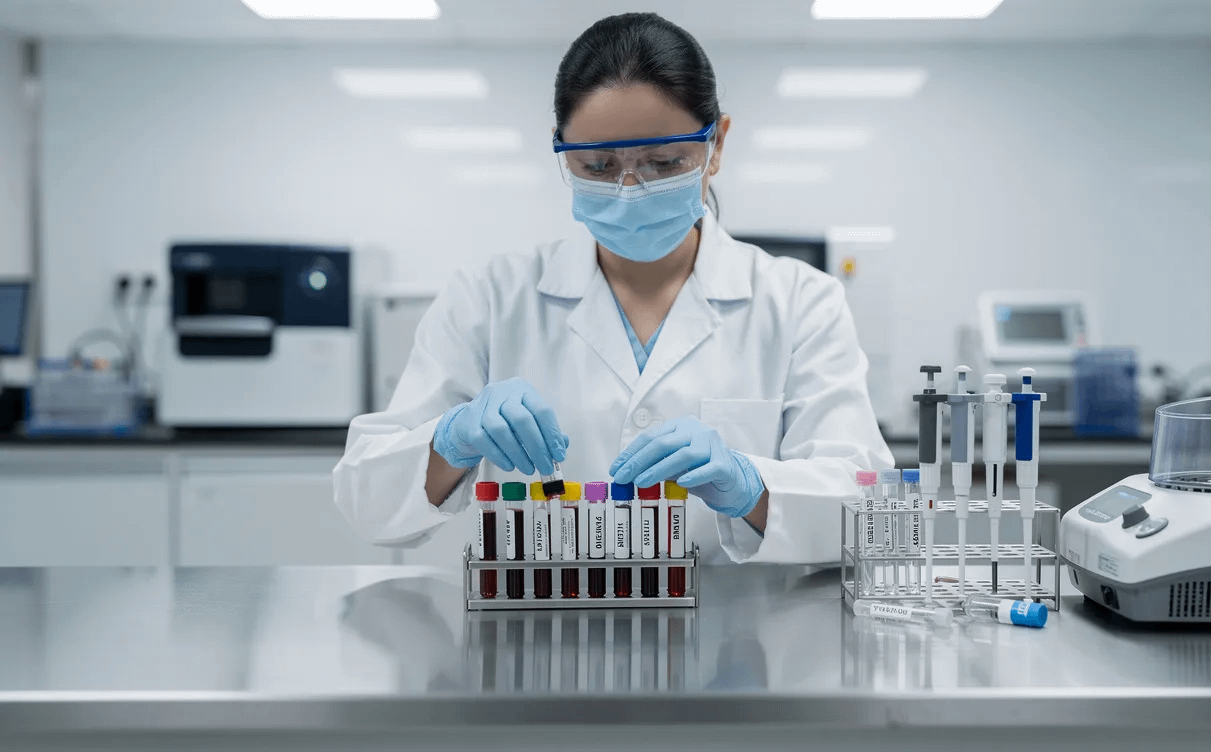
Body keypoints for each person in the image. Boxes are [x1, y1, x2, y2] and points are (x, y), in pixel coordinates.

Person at [334, 12, 892, 565]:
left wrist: (752, 486)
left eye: (664, 162)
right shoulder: (489, 298)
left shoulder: (801, 302)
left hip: (738, 621)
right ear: (562, 150)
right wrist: (449, 441)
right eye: (597, 166)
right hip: (538, 617)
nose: (629, 189)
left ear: (716, 145)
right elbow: (366, 504)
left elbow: (867, 512)